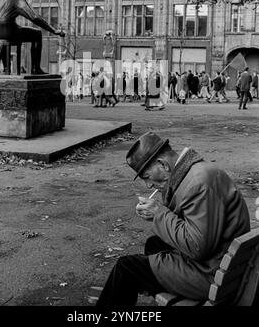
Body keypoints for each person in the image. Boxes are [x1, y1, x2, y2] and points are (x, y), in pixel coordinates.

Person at [96, 131, 250, 307]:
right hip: (224, 263)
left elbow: (197, 247)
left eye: (146, 177)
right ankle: (157, 283)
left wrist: (159, 213)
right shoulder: (197, 170)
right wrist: (157, 215)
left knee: (127, 267)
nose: (148, 185)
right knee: (154, 244)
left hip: (210, 274)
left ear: (163, 164)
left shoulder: (198, 183)